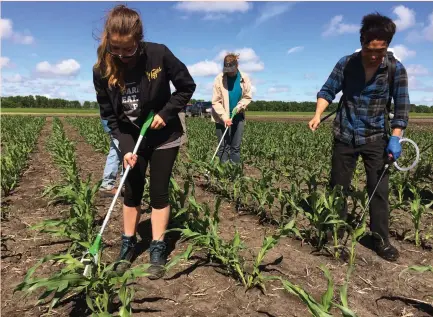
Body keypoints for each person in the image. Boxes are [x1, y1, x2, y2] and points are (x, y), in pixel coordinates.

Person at [93, 4, 196, 279]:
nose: (123, 55)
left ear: (138, 40)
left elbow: (187, 86)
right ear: (109, 41)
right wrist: (126, 150)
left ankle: (158, 245)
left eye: (129, 49)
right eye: (116, 49)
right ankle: (128, 244)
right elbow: (111, 117)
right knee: (132, 190)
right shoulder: (102, 68)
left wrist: (166, 112)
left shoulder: (158, 54)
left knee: (159, 191)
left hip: (164, 134)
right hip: (131, 135)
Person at [308, 13, 410, 262]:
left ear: (387, 45)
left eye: (380, 50)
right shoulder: (347, 63)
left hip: (376, 137)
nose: (374, 55)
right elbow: (328, 89)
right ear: (362, 42)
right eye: (369, 49)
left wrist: (396, 137)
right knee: (338, 187)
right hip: (344, 133)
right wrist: (318, 114)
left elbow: (402, 108)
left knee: (379, 190)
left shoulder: (395, 69)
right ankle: (335, 232)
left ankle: (380, 239)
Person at [211, 53, 252, 164]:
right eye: (227, 69)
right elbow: (216, 101)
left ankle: (234, 173)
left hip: (238, 116)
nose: (229, 72)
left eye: (231, 69)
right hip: (221, 117)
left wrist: (239, 106)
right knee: (223, 147)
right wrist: (225, 117)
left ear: (237, 65)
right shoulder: (219, 79)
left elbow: (247, 96)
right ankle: (223, 174)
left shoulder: (244, 78)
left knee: (235, 147)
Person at [99, 118, 125, 197]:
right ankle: (125, 184)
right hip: (117, 124)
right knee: (126, 150)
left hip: (111, 123)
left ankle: (107, 184)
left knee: (115, 151)